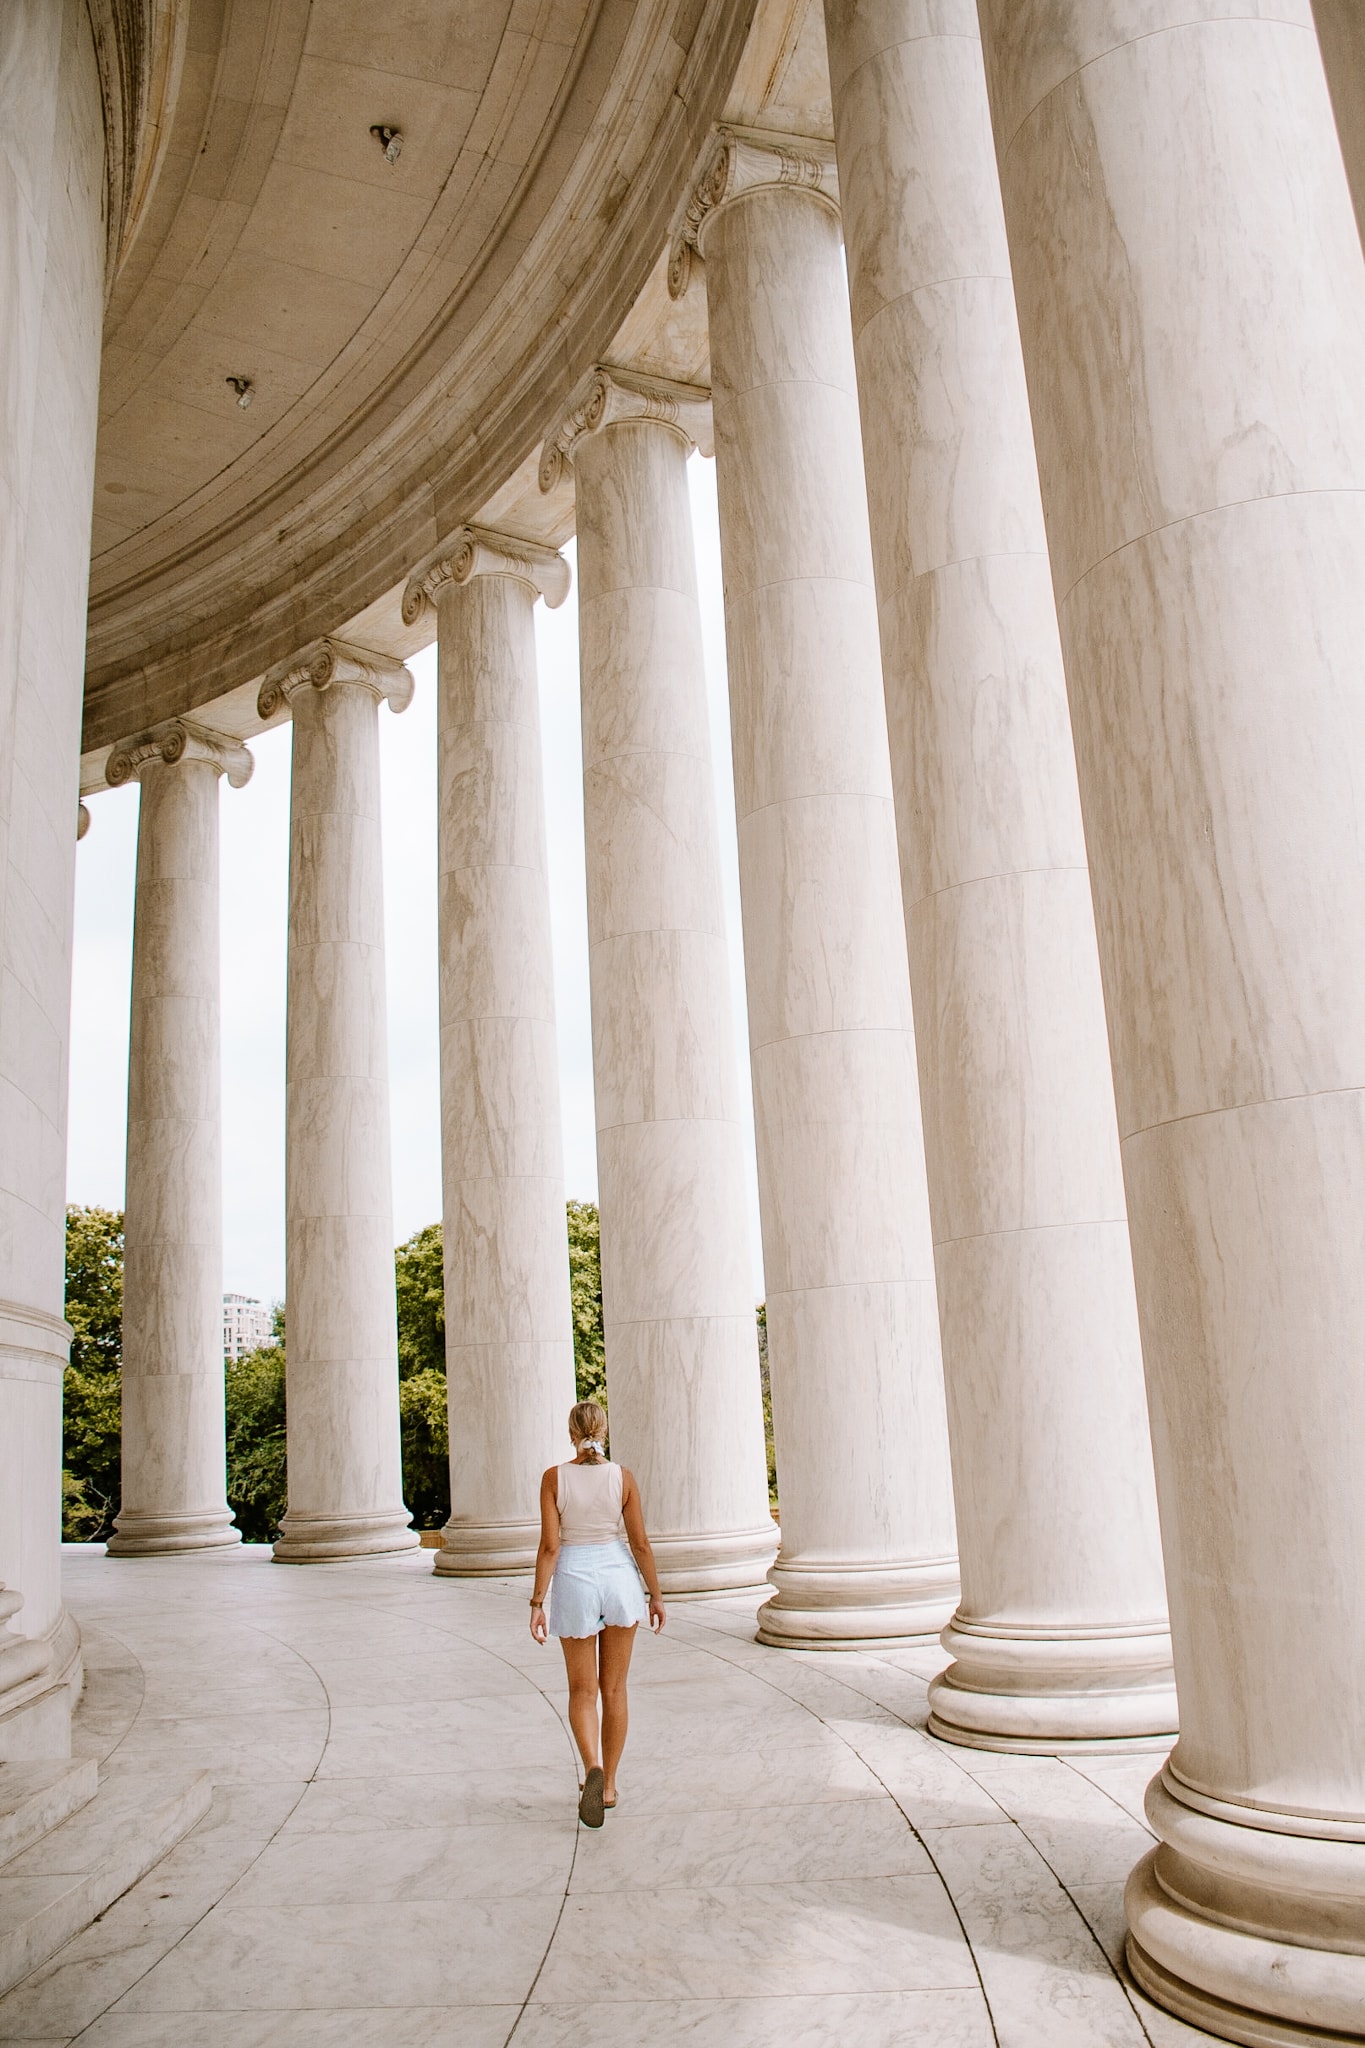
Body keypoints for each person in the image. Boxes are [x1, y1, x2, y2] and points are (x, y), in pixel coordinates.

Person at [529, 1399, 665, 1826]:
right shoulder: (622, 1477)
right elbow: (640, 1543)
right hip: (619, 1579)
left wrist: (536, 1602)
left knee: (582, 1691)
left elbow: (551, 1546)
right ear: (603, 1431)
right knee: (616, 1690)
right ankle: (608, 1788)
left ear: (571, 1432)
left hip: (575, 1579)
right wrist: (655, 1595)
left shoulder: (554, 1478)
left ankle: (592, 1766)